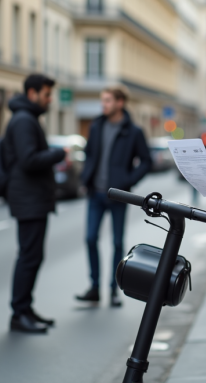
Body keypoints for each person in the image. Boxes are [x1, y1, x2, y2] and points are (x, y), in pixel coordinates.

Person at [76, 85, 152, 307]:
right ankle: (95, 287)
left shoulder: (134, 131)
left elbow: (146, 161)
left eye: (108, 101)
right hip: (95, 194)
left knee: (117, 242)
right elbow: (89, 154)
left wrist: (127, 181)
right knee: (90, 238)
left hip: (118, 195)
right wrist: (85, 178)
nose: (103, 105)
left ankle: (114, 289)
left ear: (120, 103)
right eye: (103, 101)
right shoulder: (97, 125)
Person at [4, 74, 68, 334]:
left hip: (33, 198)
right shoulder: (23, 121)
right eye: (46, 94)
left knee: (33, 256)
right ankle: (19, 313)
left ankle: (26, 309)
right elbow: (29, 159)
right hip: (28, 199)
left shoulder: (27, 118)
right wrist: (58, 153)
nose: (49, 99)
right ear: (32, 94)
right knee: (29, 257)